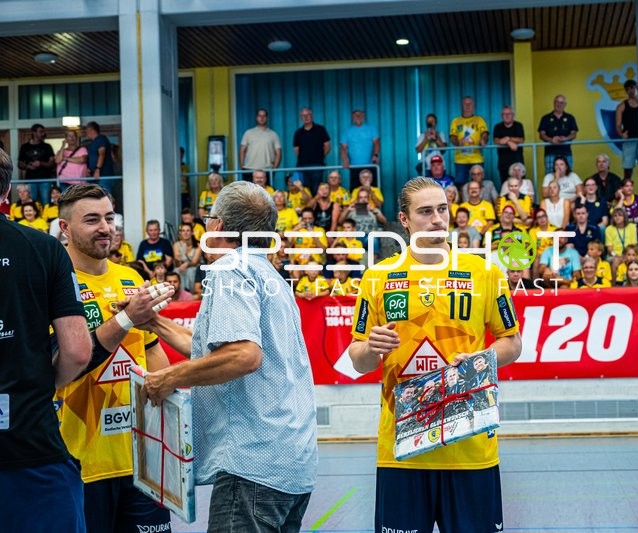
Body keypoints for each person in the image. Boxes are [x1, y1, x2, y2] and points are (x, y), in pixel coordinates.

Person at [139, 181, 318, 533]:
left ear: (217, 226)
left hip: (253, 463)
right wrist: (153, 322)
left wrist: (169, 378)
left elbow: (243, 355)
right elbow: (216, 348)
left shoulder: (230, 270)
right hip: (291, 461)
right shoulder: (270, 276)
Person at [347, 177, 521, 533]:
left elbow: (512, 343)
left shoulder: (484, 272)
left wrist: (480, 360)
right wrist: (371, 347)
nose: (438, 219)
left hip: (470, 446)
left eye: (442, 209)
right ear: (405, 220)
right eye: (425, 212)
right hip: (401, 449)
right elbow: (358, 358)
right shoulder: (377, 278)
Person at [56, 183, 174, 533]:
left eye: (109, 217)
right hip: (79, 461)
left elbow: (152, 351)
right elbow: (62, 362)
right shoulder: (56, 281)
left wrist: (172, 418)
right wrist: (123, 320)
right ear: (65, 228)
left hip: (142, 461)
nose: (105, 227)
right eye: (92, 219)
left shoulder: (131, 277)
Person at [0, 148, 92, 533]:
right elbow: (77, 349)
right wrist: (40, 384)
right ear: (7, 192)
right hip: (31, 445)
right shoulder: (44, 248)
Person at [449, 96, 489, 186]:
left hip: (476, 158)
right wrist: (458, 142)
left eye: (470, 104)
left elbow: (485, 134)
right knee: (460, 185)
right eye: (465, 104)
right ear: (461, 106)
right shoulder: (455, 121)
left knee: (478, 184)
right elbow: (452, 137)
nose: (467, 106)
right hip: (460, 160)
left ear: (473, 106)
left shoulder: (480, 120)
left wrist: (483, 140)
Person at [293, 107, 331, 194]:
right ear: (301, 117)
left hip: (317, 166)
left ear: (312, 116)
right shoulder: (298, 133)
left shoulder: (321, 129)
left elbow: (327, 146)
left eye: (308, 115)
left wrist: (319, 157)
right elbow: (296, 150)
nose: (306, 117)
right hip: (302, 166)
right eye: (303, 115)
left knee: (316, 190)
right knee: (304, 190)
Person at [538, 94, 578, 173]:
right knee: (550, 175)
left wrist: (565, 139)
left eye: (561, 102)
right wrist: (551, 139)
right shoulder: (545, 118)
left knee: (567, 174)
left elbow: (574, 134)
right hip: (550, 152)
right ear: (554, 103)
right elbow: (541, 134)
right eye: (557, 102)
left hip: (566, 152)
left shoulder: (570, 117)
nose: (559, 104)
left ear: (565, 105)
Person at [239, 108, 282, 182]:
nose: (262, 118)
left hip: (267, 170)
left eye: (264, 116)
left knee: (266, 193)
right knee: (248, 193)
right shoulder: (248, 133)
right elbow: (242, 150)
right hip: (249, 170)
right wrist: (242, 167)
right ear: (256, 117)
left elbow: (279, 153)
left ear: (267, 118)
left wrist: (274, 168)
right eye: (259, 116)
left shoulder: (273, 134)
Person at [17, 123, 56, 204]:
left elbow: (52, 164)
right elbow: (20, 164)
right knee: (31, 201)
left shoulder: (47, 146)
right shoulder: (25, 147)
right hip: (31, 179)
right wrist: (28, 166)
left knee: (46, 202)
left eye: (43, 132)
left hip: (45, 179)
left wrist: (40, 163)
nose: (43, 134)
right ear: (34, 133)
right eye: (41, 132)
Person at [341, 109, 380, 186]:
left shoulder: (372, 129)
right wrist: (345, 160)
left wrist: (375, 155)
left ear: (364, 116)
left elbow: (376, 142)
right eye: (356, 115)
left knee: (371, 189)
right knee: (355, 190)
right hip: (354, 166)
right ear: (352, 117)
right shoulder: (347, 131)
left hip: (370, 165)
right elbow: (343, 148)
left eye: (360, 114)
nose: (358, 117)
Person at [615, 79, 638, 180]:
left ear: (636, 88)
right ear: (626, 91)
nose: (631, 91)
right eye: (628, 89)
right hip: (629, 141)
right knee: (627, 171)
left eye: (632, 88)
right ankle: (626, 195)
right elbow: (618, 124)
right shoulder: (621, 106)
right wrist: (621, 134)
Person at [493, 106, 525, 180]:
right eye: (504, 114)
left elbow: (521, 139)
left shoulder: (518, 125)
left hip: (517, 162)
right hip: (503, 163)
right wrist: (509, 142)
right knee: (505, 185)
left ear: (513, 115)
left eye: (509, 114)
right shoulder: (497, 127)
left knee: (519, 184)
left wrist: (508, 138)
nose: (507, 116)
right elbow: (496, 141)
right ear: (501, 116)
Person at [173, 222, 201, 291]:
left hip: (194, 268)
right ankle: (180, 293)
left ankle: (190, 294)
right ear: (181, 233)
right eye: (183, 231)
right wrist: (178, 260)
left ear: (192, 233)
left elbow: (195, 262)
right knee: (176, 270)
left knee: (190, 271)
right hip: (181, 268)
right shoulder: (176, 245)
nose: (185, 233)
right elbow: (177, 262)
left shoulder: (198, 245)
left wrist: (187, 264)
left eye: (188, 231)